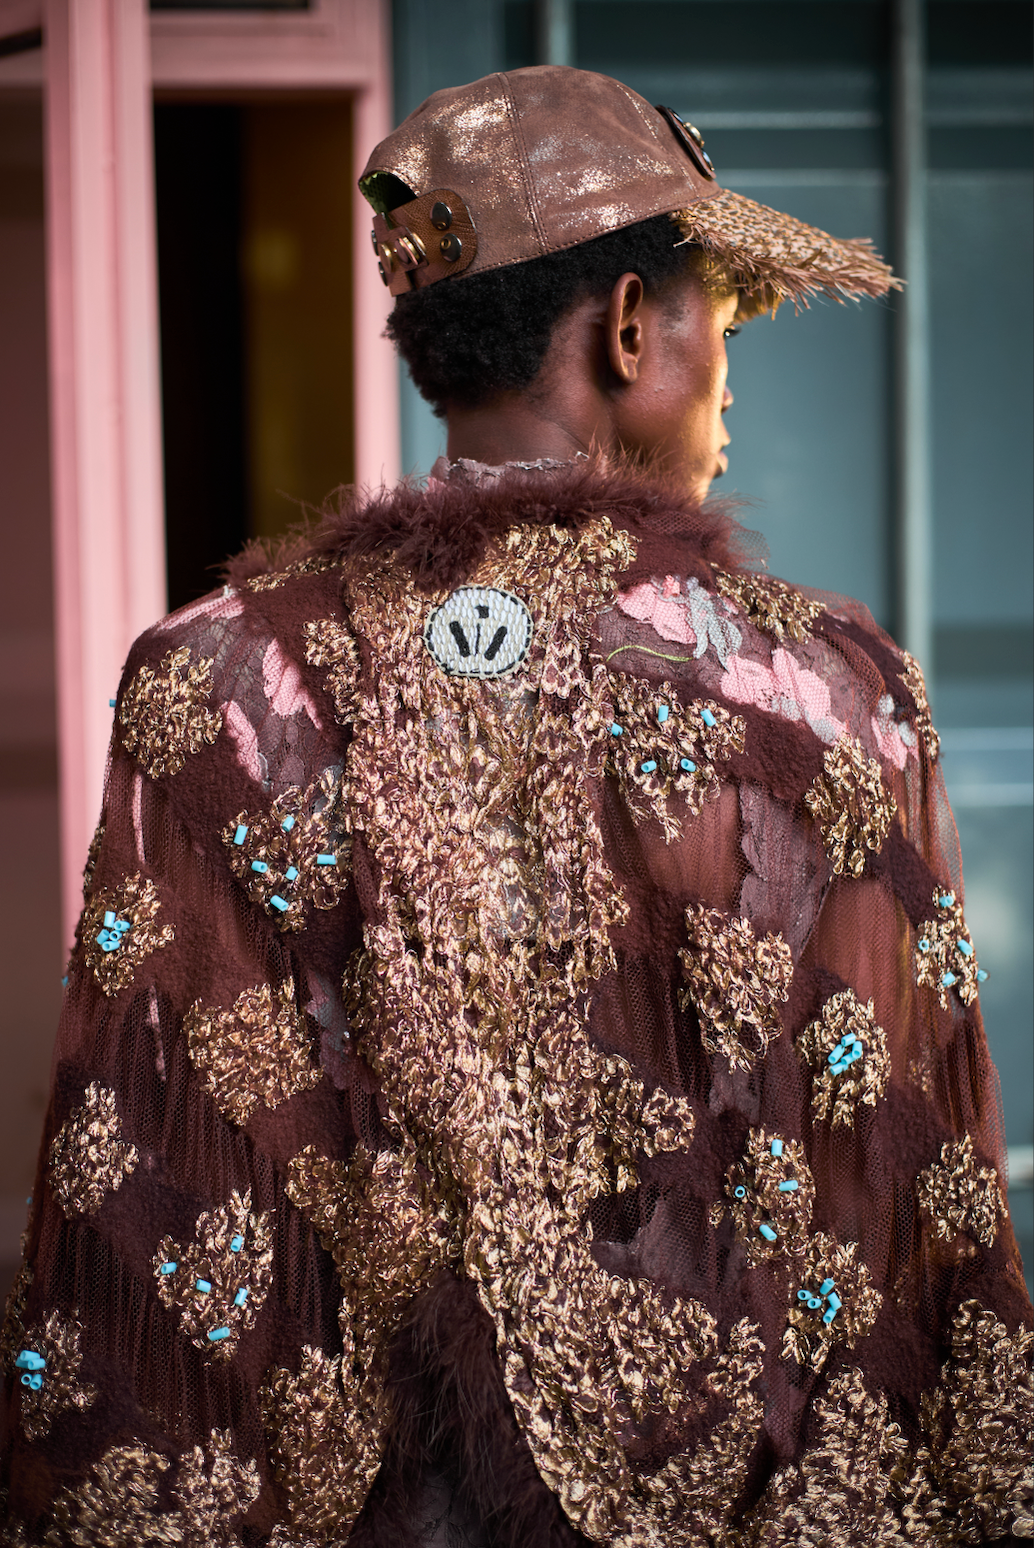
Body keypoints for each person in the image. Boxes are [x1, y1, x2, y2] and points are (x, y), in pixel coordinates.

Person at [1, 65, 1030, 1547]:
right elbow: (889, 1181)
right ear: (626, 328)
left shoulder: (216, 681)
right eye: (716, 339)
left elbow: (157, 1173)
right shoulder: (825, 687)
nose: (726, 403)